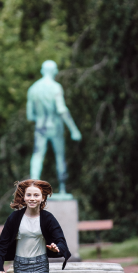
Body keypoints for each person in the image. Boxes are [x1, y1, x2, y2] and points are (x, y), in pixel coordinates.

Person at [27, 60, 82, 196]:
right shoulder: (56, 87)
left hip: (40, 126)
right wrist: (73, 129)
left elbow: (30, 115)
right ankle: (62, 189)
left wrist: (40, 119)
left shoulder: (33, 88)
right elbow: (61, 109)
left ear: (42, 70)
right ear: (54, 71)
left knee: (37, 155)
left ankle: (33, 188)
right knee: (60, 156)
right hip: (55, 126)